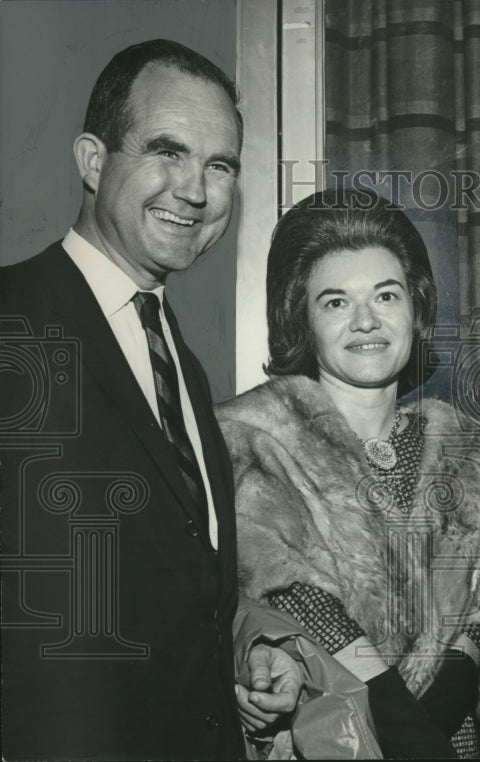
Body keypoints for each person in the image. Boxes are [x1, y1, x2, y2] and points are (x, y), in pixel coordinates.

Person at [0, 39, 300, 760]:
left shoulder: (180, 366)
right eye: (167, 150)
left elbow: (169, 581)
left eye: (219, 165)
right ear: (94, 161)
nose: (195, 190)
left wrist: (244, 647)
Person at [214, 188, 480, 758]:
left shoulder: (475, 450)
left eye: (386, 295)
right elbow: (294, 601)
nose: (367, 321)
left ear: (416, 309)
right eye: (335, 302)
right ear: (300, 316)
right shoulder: (249, 438)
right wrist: (401, 726)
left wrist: (437, 719)